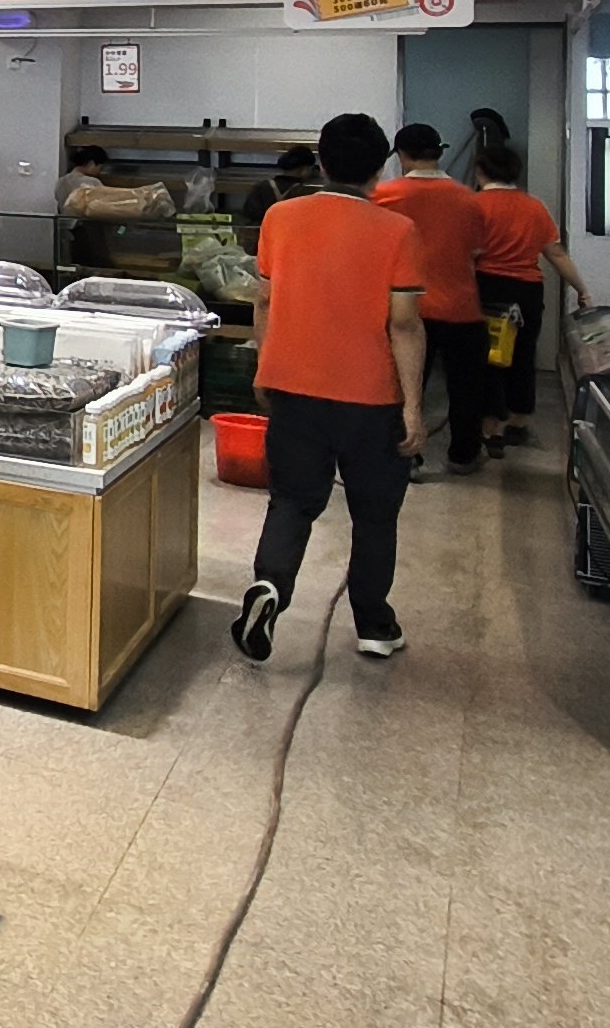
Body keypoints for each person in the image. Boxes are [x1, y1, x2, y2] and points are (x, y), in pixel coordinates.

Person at [235, 111, 426, 662]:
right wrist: (414, 407)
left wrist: (264, 367)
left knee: (292, 501)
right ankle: (374, 624)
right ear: (381, 168)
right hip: (371, 398)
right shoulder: (398, 231)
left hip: (293, 387)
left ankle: (270, 585)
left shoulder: (280, 217)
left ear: (320, 162)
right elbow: (405, 325)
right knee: (374, 515)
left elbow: (265, 300)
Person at [371, 122, 490, 473]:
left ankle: (406, 457)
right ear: (439, 153)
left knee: (404, 388)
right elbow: (477, 251)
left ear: (401, 156)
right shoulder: (469, 200)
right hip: (460, 307)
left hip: (404, 308)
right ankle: (463, 456)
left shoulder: (384, 197)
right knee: (466, 390)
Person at [472, 144, 587, 453]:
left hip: (487, 289)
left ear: (480, 171)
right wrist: (581, 288)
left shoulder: (475, 205)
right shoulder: (534, 207)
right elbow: (555, 253)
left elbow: (469, 252)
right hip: (527, 292)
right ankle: (519, 422)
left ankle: (491, 429)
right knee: (522, 355)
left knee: (489, 358)